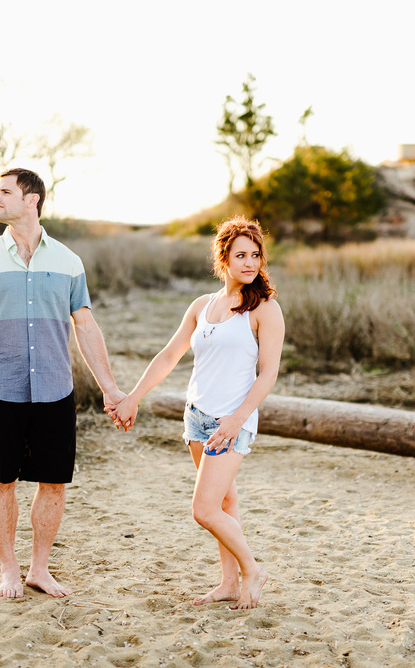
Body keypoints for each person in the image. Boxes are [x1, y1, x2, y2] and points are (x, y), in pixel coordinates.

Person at [0, 167, 125, 599]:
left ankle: (39, 569)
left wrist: (110, 387)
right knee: (2, 479)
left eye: (5, 192)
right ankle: (9, 569)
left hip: (54, 390)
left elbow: (85, 326)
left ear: (32, 200)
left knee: (53, 482)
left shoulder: (68, 262)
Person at [109, 216, 285, 610]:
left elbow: (269, 373)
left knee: (203, 509)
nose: (250, 263)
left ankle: (252, 570)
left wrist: (236, 420)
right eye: (240, 255)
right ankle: (227, 582)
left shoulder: (264, 309)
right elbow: (170, 355)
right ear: (223, 258)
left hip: (231, 422)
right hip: (197, 418)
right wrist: (134, 395)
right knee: (224, 504)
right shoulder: (202, 306)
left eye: (255, 255)